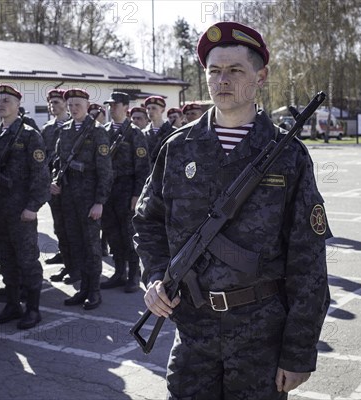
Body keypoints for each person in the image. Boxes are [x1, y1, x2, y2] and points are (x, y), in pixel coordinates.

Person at [133, 21, 331, 399]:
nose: (222, 80)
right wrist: (155, 277)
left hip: (261, 336)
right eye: (214, 71)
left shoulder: (287, 155)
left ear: (261, 76)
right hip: (193, 334)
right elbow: (148, 221)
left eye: (235, 70)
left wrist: (299, 351)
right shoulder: (179, 148)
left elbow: (309, 261)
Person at [0, 85, 50, 329]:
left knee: (27, 260)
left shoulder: (29, 135)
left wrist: (33, 206)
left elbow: (41, 176)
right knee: (5, 259)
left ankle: (32, 308)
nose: (1, 104)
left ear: (18, 105)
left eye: (7, 100)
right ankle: (12, 304)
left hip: (22, 212)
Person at [50, 89, 113, 310]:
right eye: (71, 105)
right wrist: (55, 181)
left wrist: (100, 202)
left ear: (87, 106)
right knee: (76, 245)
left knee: (92, 247)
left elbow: (105, 170)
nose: (74, 108)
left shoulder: (97, 132)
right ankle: (83, 288)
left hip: (89, 200)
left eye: (78, 104)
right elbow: (58, 161)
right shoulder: (65, 131)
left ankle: (94, 291)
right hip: (68, 198)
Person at [100, 92, 149, 293]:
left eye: (115, 105)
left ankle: (133, 275)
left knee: (129, 234)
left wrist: (137, 195)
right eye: (110, 105)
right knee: (112, 233)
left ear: (125, 107)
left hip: (127, 189)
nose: (112, 109)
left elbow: (143, 168)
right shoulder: (103, 131)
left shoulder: (135, 133)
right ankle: (119, 272)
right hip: (108, 190)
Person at [42, 89, 76, 280]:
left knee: (73, 229)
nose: (53, 106)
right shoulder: (47, 129)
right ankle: (67, 262)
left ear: (65, 104)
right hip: (54, 187)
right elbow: (43, 160)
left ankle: (76, 266)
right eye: (51, 103)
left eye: (57, 102)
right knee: (59, 228)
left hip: (73, 188)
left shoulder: (76, 127)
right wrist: (49, 182)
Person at [142, 96, 175, 164]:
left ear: (162, 110)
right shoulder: (143, 133)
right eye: (148, 108)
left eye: (154, 108)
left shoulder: (173, 132)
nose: (150, 111)